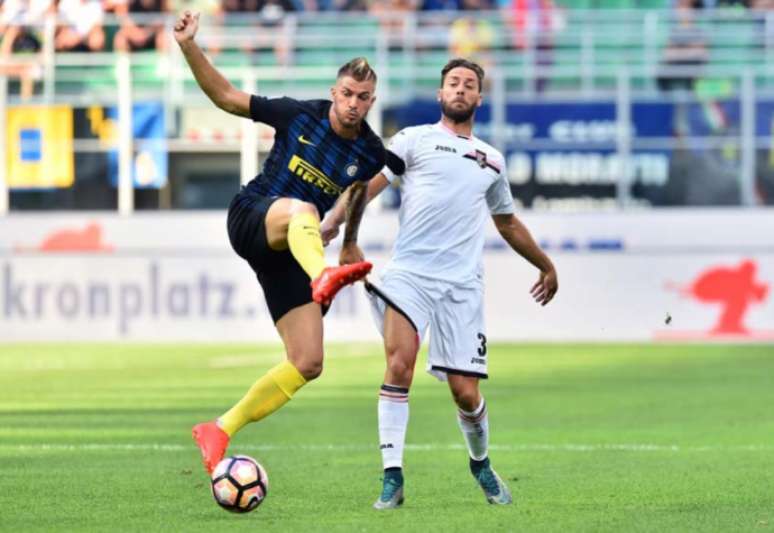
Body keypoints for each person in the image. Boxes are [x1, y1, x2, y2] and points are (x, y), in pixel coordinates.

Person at [173, 11, 403, 474]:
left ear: (371, 101)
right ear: (334, 91)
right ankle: (323, 277)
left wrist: (350, 242)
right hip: (254, 216)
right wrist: (188, 45)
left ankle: (219, 428)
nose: (353, 104)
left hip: (292, 251)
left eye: (363, 98)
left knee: (308, 361)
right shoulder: (299, 114)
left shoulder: (370, 152)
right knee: (305, 211)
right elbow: (225, 96)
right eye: (346, 94)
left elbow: (357, 192)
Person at [322, 58, 558, 508]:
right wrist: (339, 225)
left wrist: (545, 265)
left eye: (469, 85)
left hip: (462, 287)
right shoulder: (413, 139)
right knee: (399, 367)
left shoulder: (492, 160)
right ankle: (392, 477)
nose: (460, 89)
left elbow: (507, 224)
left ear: (479, 98)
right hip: (409, 276)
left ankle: (481, 463)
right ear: (439, 93)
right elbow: (367, 186)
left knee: (466, 393)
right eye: (453, 82)